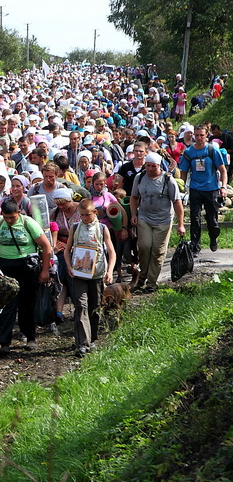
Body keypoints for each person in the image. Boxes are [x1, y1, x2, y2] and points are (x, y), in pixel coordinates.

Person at [0, 199, 54, 357]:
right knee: (7, 305)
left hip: (27, 268)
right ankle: (5, 342)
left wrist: (45, 270)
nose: (9, 221)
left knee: (27, 304)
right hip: (6, 268)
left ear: (19, 212)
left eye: (12, 217)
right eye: (6, 217)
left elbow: (46, 246)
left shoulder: (28, 223)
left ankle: (30, 337)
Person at [64, 200, 116, 355]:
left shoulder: (102, 228)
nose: (85, 218)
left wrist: (110, 271)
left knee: (94, 307)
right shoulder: (75, 228)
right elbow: (67, 250)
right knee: (81, 306)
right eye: (82, 215)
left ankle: (92, 339)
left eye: (88, 214)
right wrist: (68, 266)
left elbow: (112, 252)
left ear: (95, 213)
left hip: (97, 274)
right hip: (79, 274)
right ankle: (82, 343)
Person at [129, 153, 185, 292]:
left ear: (159, 166)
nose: (150, 169)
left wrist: (181, 224)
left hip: (163, 220)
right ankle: (142, 277)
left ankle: (151, 283)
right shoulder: (140, 177)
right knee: (144, 246)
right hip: (144, 217)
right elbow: (134, 197)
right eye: (148, 166)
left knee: (157, 251)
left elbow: (177, 202)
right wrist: (133, 214)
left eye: (153, 166)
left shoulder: (168, 180)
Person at [177, 123, 228, 252]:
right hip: (195, 188)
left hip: (211, 189)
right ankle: (195, 246)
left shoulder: (212, 150)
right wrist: (181, 188)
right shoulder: (189, 152)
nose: (199, 138)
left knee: (212, 219)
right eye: (197, 135)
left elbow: (223, 171)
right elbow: (183, 171)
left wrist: (223, 187)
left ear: (206, 136)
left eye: (202, 135)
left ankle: (213, 238)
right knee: (195, 218)